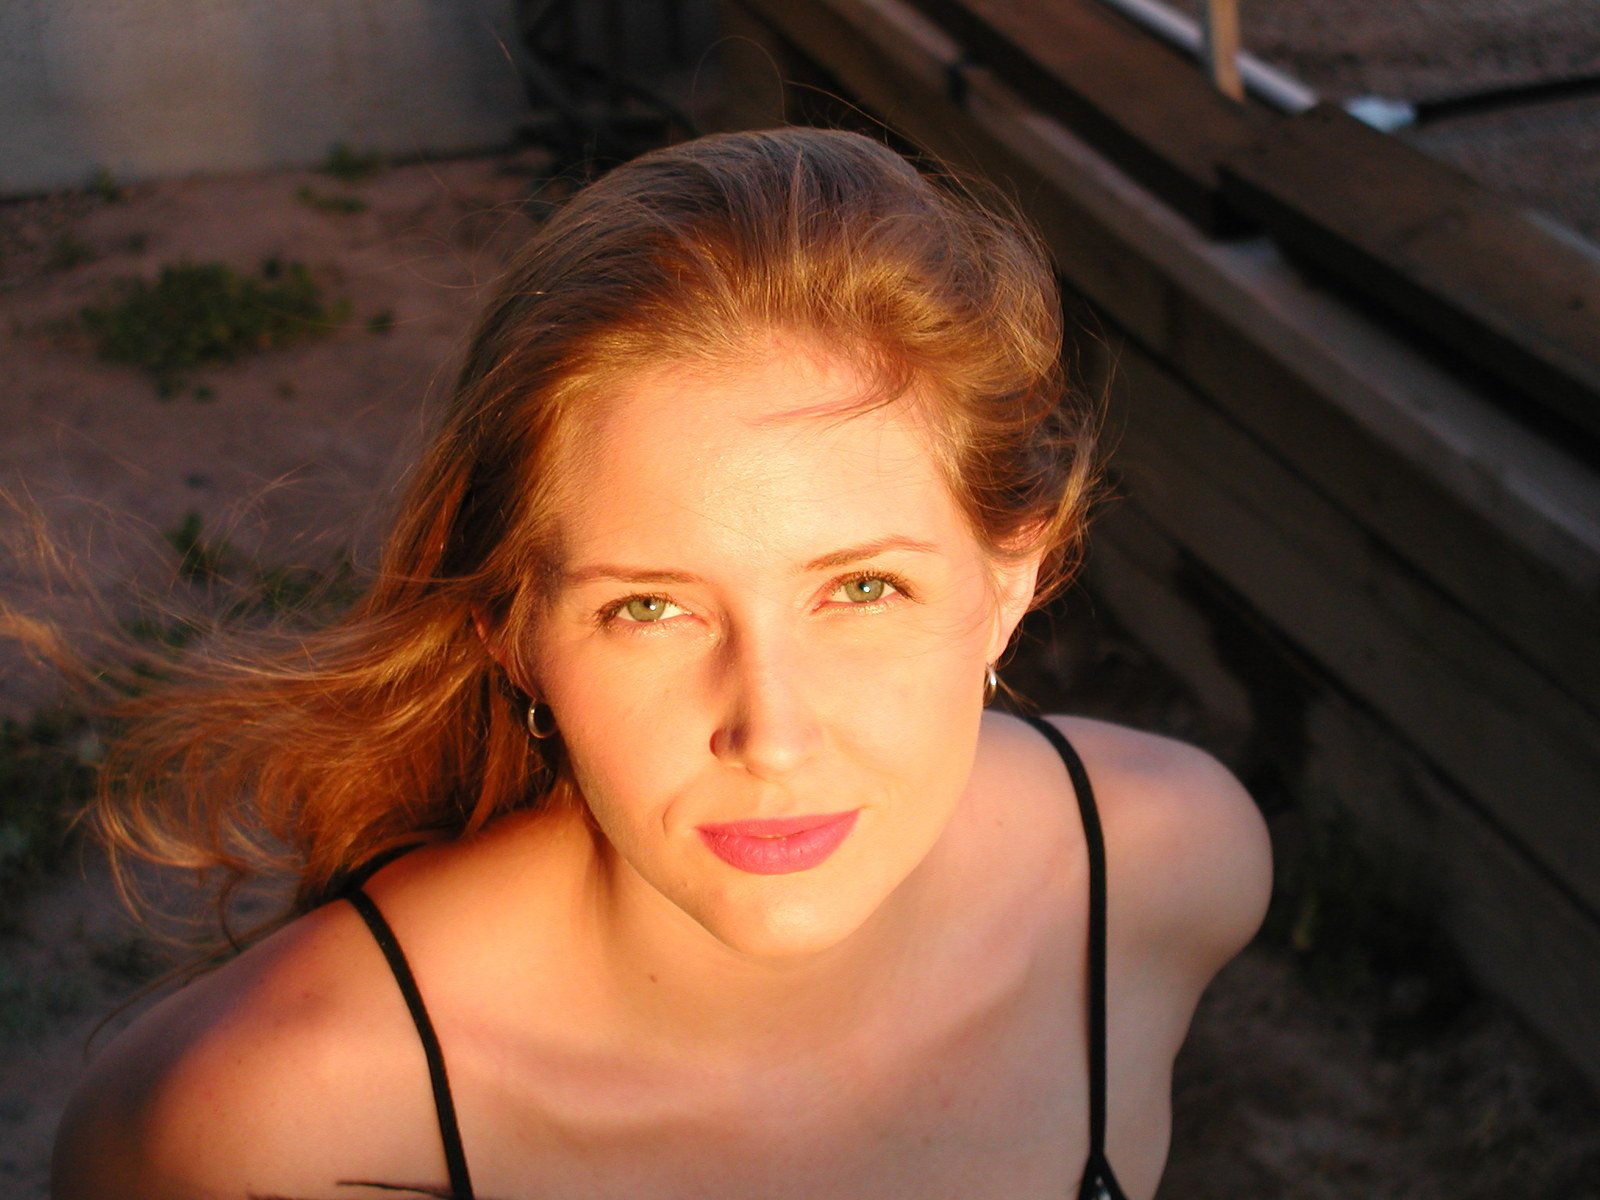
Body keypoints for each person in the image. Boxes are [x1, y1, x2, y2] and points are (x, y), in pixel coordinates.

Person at [51, 127, 1270, 1200]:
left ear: (1015, 575)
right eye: (649, 607)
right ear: (513, 629)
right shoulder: (264, 1134)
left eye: (862, 588)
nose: (772, 733)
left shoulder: (1162, 873)